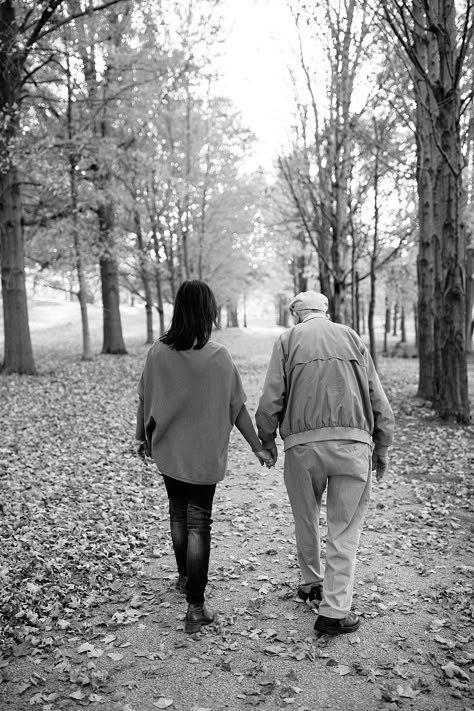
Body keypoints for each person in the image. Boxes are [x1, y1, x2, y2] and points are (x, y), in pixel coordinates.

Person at [136, 280, 273, 634]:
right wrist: (257, 445)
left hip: (168, 450)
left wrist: (140, 437)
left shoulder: (157, 352)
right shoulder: (218, 356)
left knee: (178, 513)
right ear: (208, 312)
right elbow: (237, 406)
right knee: (198, 523)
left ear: (179, 310)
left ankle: (184, 578)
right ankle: (195, 607)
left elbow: (144, 397)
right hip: (203, 456)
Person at [255, 290, 394, 636]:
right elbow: (376, 393)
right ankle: (334, 610)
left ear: (296, 315)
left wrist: (267, 438)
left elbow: (273, 393)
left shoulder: (287, 340)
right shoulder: (351, 336)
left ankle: (311, 582)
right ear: (326, 312)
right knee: (344, 529)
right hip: (353, 444)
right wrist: (383, 445)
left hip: (303, 449)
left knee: (306, 516)